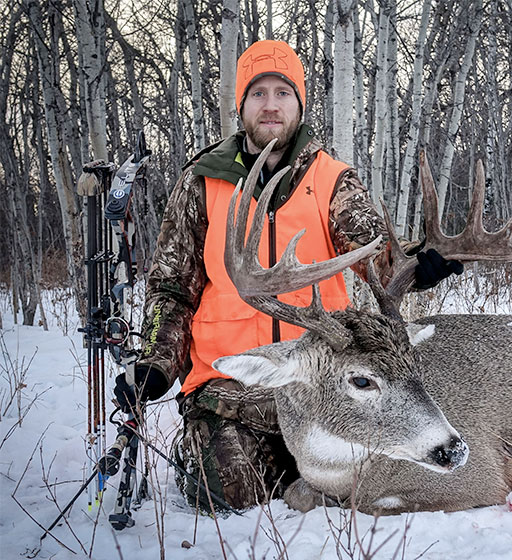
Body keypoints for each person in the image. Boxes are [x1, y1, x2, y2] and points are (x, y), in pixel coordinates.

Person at [114, 40, 463, 511]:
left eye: (283, 93)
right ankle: (227, 455)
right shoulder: (202, 181)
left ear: (299, 104)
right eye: (258, 94)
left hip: (326, 377)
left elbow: (374, 252)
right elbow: (171, 287)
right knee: (224, 493)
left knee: (360, 478)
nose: (271, 105)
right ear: (242, 106)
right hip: (232, 383)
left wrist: (415, 268)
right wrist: (156, 364)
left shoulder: (332, 178)